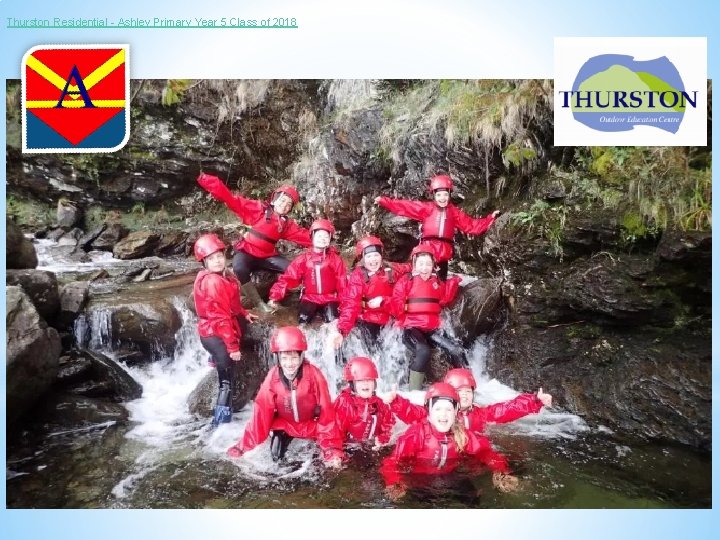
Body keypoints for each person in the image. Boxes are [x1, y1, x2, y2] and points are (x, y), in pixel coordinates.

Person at [226, 326, 344, 468]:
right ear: (278, 359)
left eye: (294, 358)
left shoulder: (314, 375)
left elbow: (326, 412)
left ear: (301, 357)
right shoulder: (273, 377)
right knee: (276, 459)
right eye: (285, 358)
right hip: (284, 425)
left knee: (318, 463)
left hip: (311, 425)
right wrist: (243, 447)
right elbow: (262, 411)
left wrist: (332, 450)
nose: (289, 364)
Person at [197, 172, 312, 312]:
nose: (284, 206)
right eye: (282, 201)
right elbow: (231, 200)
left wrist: (323, 239)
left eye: (288, 205)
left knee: (293, 269)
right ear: (274, 199)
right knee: (239, 268)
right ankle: (258, 303)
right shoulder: (258, 209)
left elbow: (303, 236)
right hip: (247, 251)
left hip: (267, 256)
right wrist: (208, 181)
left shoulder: (286, 224)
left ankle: (277, 297)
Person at [379, 383, 516, 500]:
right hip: (419, 481)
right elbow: (392, 462)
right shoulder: (417, 435)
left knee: (475, 499)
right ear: (429, 412)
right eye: (438, 409)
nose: (443, 414)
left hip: (452, 477)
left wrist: (501, 472)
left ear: (456, 412)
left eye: (448, 409)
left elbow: (486, 453)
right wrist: (394, 483)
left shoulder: (462, 435)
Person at [375, 174, 500, 280]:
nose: (442, 198)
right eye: (439, 195)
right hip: (427, 251)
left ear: (449, 195)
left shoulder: (454, 212)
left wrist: (490, 219)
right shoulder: (427, 209)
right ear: (434, 195)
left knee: (440, 282)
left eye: (445, 195)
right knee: (421, 279)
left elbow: (470, 225)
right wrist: (384, 201)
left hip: (443, 254)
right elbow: (405, 207)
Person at [192, 234, 259, 427]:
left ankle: (214, 358)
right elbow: (221, 319)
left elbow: (233, 303)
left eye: (219, 256)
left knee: (239, 328)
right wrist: (232, 348)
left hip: (210, 331)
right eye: (211, 258)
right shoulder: (213, 282)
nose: (217, 261)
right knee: (226, 383)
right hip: (215, 334)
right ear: (204, 262)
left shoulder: (224, 275)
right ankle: (220, 424)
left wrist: (244, 313)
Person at [388, 243, 465, 390]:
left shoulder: (436, 282)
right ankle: (414, 391)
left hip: (431, 328)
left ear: (434, 266)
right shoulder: (406, 281)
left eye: (428, 264)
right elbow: (396, 306)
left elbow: (443, 299)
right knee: (423, 351)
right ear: (414, 264)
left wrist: (454, 282)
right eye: (421, 264)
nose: (424, 268)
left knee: (456, 350)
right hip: (412, 327)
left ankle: (463, 386)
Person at [386, 368, 553, 435]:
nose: (465, 396)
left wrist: (534, 401)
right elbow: (413, 413)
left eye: (468, 392)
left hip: (471, 451)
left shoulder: (481, 414)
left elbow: (507, 409)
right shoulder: (439, 413)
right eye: (460, 392)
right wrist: (395, 402)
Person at [332, 236, 412, 351]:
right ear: (362, 259)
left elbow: (411, 267)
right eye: (369, 256)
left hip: (390, 318)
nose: (373, 260)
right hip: (368, 319)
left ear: (381, 256)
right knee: (374, 349)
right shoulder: (358, 276)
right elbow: (351, 304)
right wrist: (341, 331)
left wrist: (425, 265)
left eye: (376, 255)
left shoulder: (392, 269)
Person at [266, 218, 347, 324]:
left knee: (334, 322)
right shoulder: (303, 259)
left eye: (326, 237)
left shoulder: (335, 259)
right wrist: (274, 297)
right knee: (303, 321)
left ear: (330, 240)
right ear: (312, 237)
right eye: (319, 236)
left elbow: (342, 283)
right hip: (309, 298)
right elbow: (288, 278)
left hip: (331, 297)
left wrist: (346, 304)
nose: (322, 239)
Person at [333, 356, 395, 448]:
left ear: (374, 383)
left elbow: (389, 423)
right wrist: (336, 452)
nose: (365, 383)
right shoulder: (345, 403)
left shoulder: (379, 403)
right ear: (352, 384)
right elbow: (334, 433)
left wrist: (383, 438)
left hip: (370, 446)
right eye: (360, 380)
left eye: (369, 380)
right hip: (349, 448)